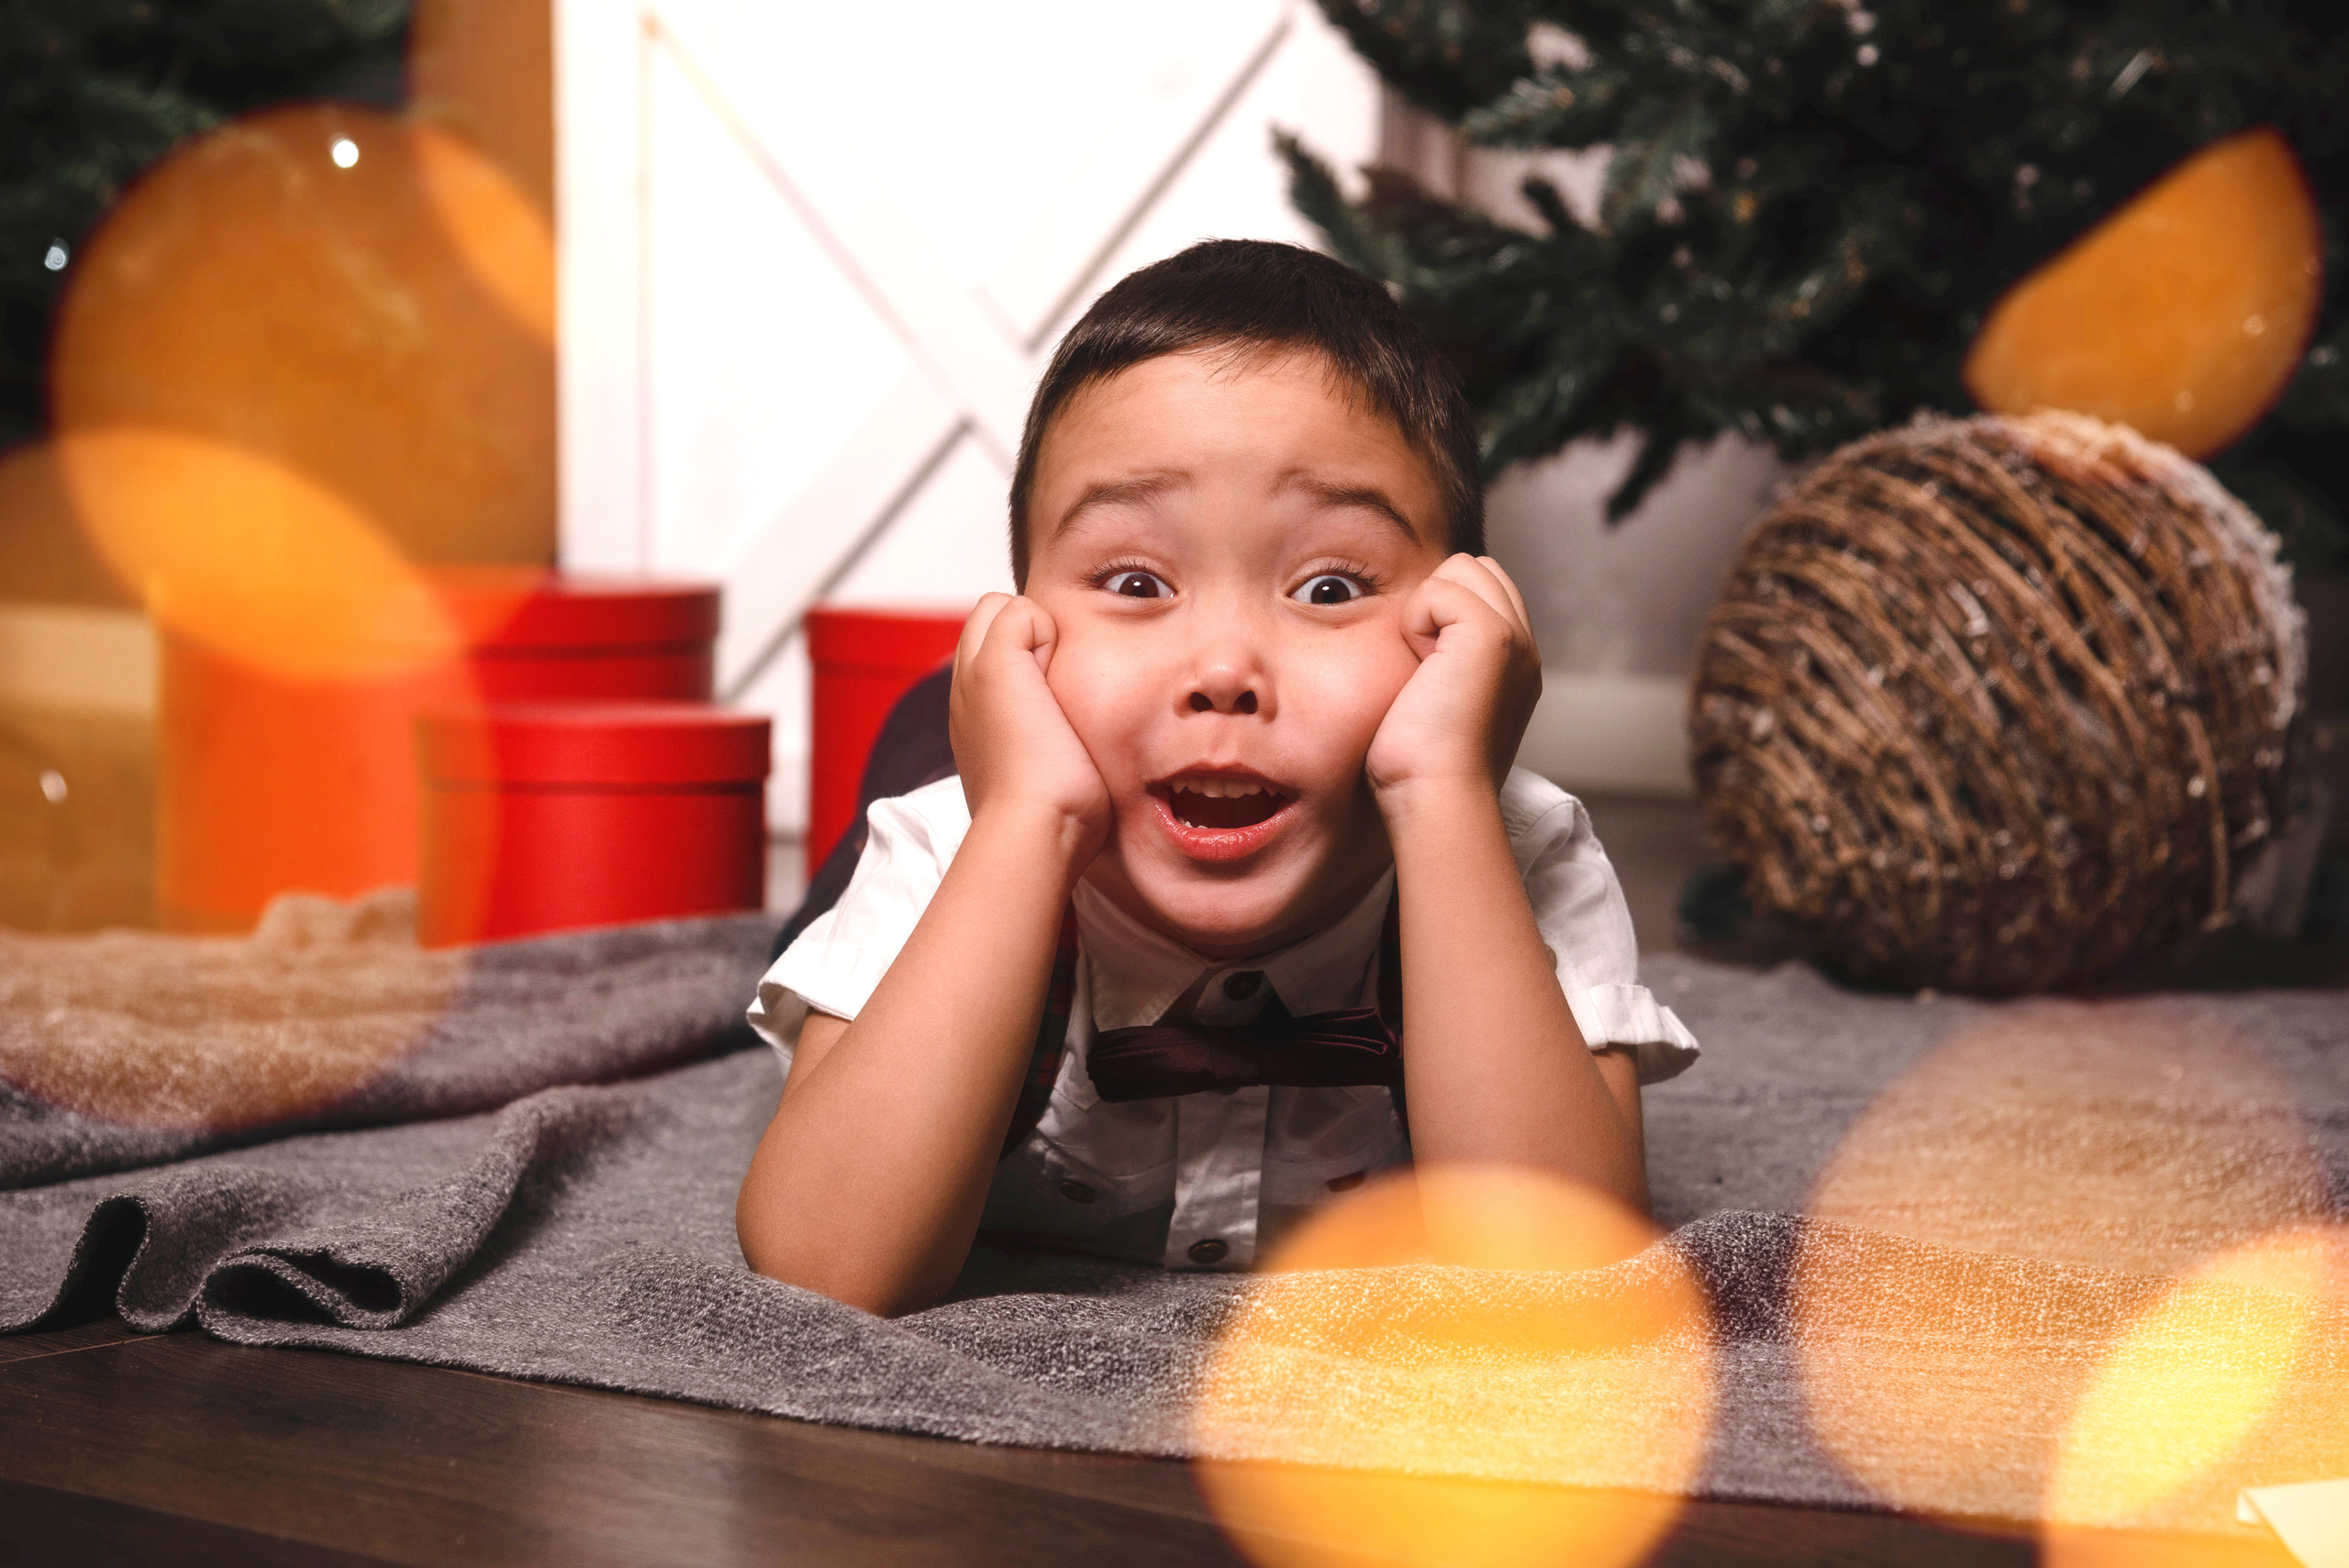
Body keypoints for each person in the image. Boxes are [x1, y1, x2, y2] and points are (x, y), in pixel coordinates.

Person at [737, 239, 1698, 1316]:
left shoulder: (1515, 840)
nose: (1226, 669)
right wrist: (1025, 813)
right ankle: (939, 713)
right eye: (1138, 580)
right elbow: (823, 1264)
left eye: (1330, 586)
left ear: (1457, 627)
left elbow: (1562, 1285)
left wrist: (1443, 794)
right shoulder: (958, 833)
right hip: (1004, 789)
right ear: (1026, 622)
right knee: (914, 765)